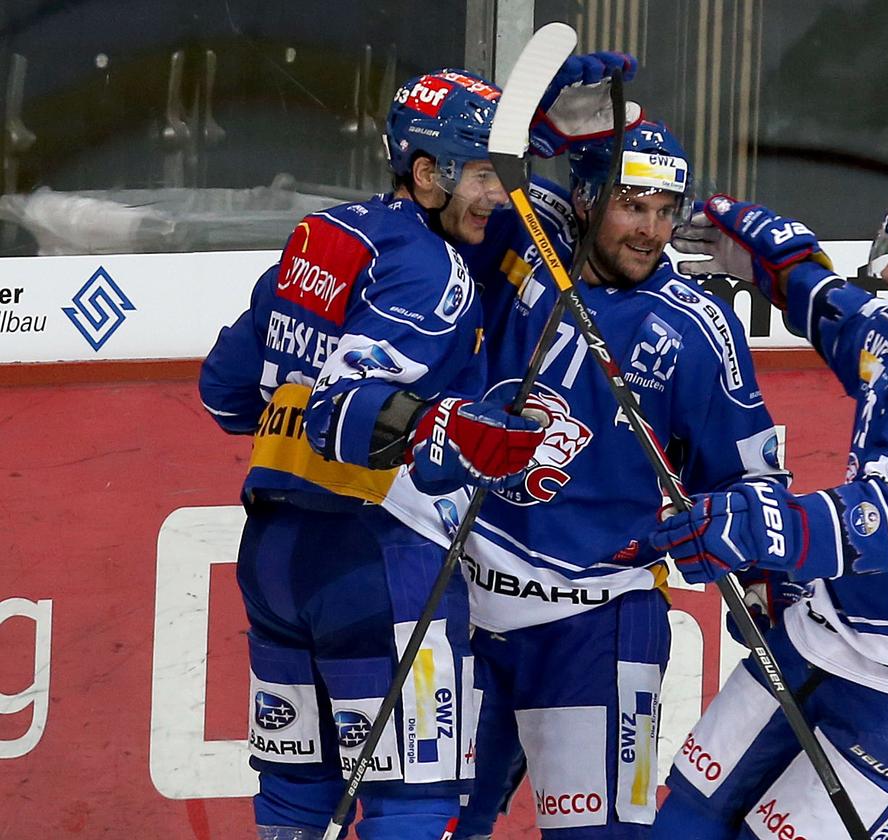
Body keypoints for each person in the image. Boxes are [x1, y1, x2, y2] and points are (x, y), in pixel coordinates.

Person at [197, 62, 631, 840]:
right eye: (482, 177)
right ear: (427, 172)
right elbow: (345, 411)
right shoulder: (437, 276)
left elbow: (223, 393)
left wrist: (555, 129)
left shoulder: (324, 239)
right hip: (381, 560)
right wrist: (453, 429)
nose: (498, 196)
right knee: (413, 805)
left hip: (273, 557)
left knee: (299, 795)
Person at [643, 183, 888, 839]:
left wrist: (760, 526)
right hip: (827, 634)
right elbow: (846, 322)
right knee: (685, 819)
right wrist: (773, 267)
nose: (887, 268)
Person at [452, 121, 789, 840]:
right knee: (436, 824)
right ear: (581, 200)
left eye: (668, 211)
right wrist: (533, 117)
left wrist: (762, 575)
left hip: (597, 621)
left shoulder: (697, 327)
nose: (653, 230)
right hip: (464, 600)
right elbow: (453, 181)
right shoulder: (525, 245)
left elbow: (750, 476)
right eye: (633, 206)